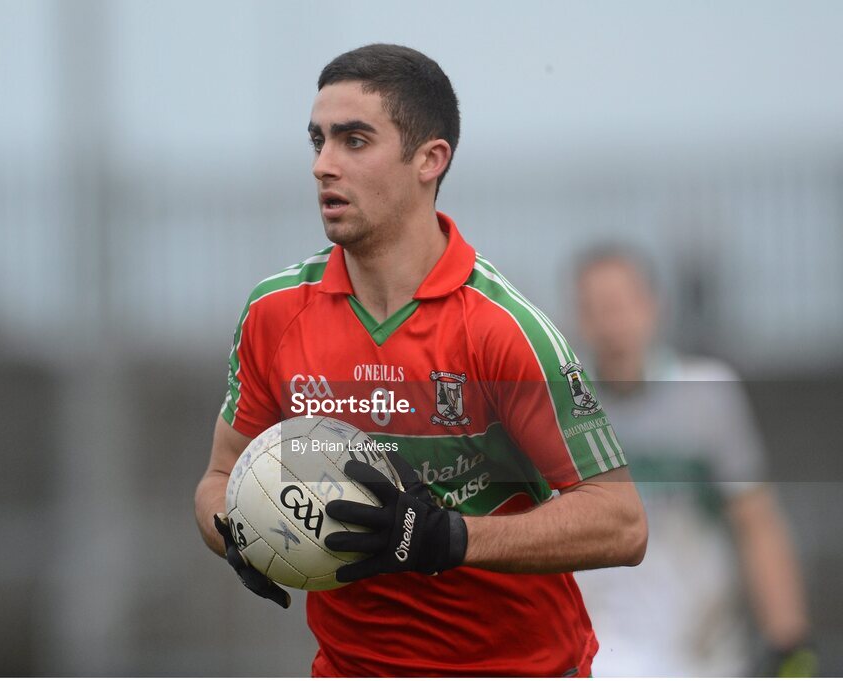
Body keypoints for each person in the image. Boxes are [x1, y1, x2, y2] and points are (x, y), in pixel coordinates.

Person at [193, 44, 647, 677]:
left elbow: (621, 522)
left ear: (430, 160)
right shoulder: (275, 314)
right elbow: (219, 477)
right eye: (317, 140)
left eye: (354, 141)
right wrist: (239, 530)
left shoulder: (501, 331)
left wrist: (448, 537)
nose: (324, 165)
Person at [571, 245, 816, 677]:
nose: (612, 322)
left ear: (652, 307)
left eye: (621, 304)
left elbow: (756, 522)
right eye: (597, 309)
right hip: (603, 655)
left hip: (704, 655)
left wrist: (789, 641)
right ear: (580, 320)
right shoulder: (560, 408)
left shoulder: (709, 394)